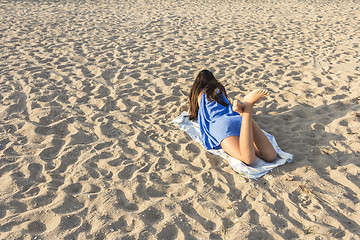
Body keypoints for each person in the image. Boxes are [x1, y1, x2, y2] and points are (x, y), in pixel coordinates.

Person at [188, 70, 277, 165]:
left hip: (220, 125)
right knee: (270, 156)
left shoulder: (198, 95)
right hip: (236, 119)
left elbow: (196, 113)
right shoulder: (218, 90)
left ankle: (248, 107)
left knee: (247, 158)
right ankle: (244, 114)